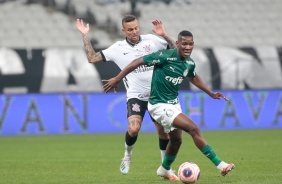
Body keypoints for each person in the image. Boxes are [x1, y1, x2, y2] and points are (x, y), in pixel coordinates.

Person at [102, 30, 235, 180]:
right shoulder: (163, 56)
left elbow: (193, 77)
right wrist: (118, 78)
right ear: (177, 44)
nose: (188, 47)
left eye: (191, 44)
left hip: (173, 104)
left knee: (176, 140)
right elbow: (137, 62)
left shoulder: (189, 63)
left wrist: (210, 93)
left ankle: (164, 169)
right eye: (184, 43)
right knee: (193, 129)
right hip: (158, 105)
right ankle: (220, 165)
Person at [76, 15, 178, 177]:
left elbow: (176, 48)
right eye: (130, 29)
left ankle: (166, 169)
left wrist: (164, 34)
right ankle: (127, 155)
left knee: (163, 133)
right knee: (133, 128)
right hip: (136, 96)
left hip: (156, 96)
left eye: (136, 28)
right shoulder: (118, 48)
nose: (134, 32)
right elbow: (92, 58)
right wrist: (84, 35)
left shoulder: (152, 40)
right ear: (123, 31)